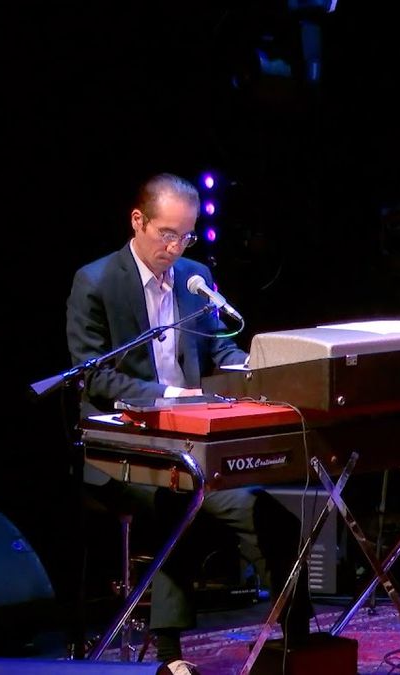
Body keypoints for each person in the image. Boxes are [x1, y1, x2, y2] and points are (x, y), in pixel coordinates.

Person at [66, 173, 311, 672]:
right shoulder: (96, 282)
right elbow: (97, 377)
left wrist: (257, 369)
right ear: (138, 221)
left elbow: (220, 350)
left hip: (193, 445)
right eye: (167, 234)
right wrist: (174, 395)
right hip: (125, 448)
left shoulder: (194, 276)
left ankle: (299, 637)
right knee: (175, 504)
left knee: (267, 513)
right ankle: (170, 656)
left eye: (186, 236)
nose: (176, 248)